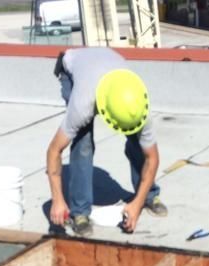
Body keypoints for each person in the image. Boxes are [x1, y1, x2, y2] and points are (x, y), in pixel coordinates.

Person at [47, 48, 167, 237]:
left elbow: (152, 158)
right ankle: (79, 213)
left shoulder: (137, 102)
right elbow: (54, 150)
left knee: (138, 141)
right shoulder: (83, 104)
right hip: (73, 69)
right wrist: (58, 200)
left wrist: (136, 204)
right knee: (83, 143)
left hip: (106, 63)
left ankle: (147, 196)